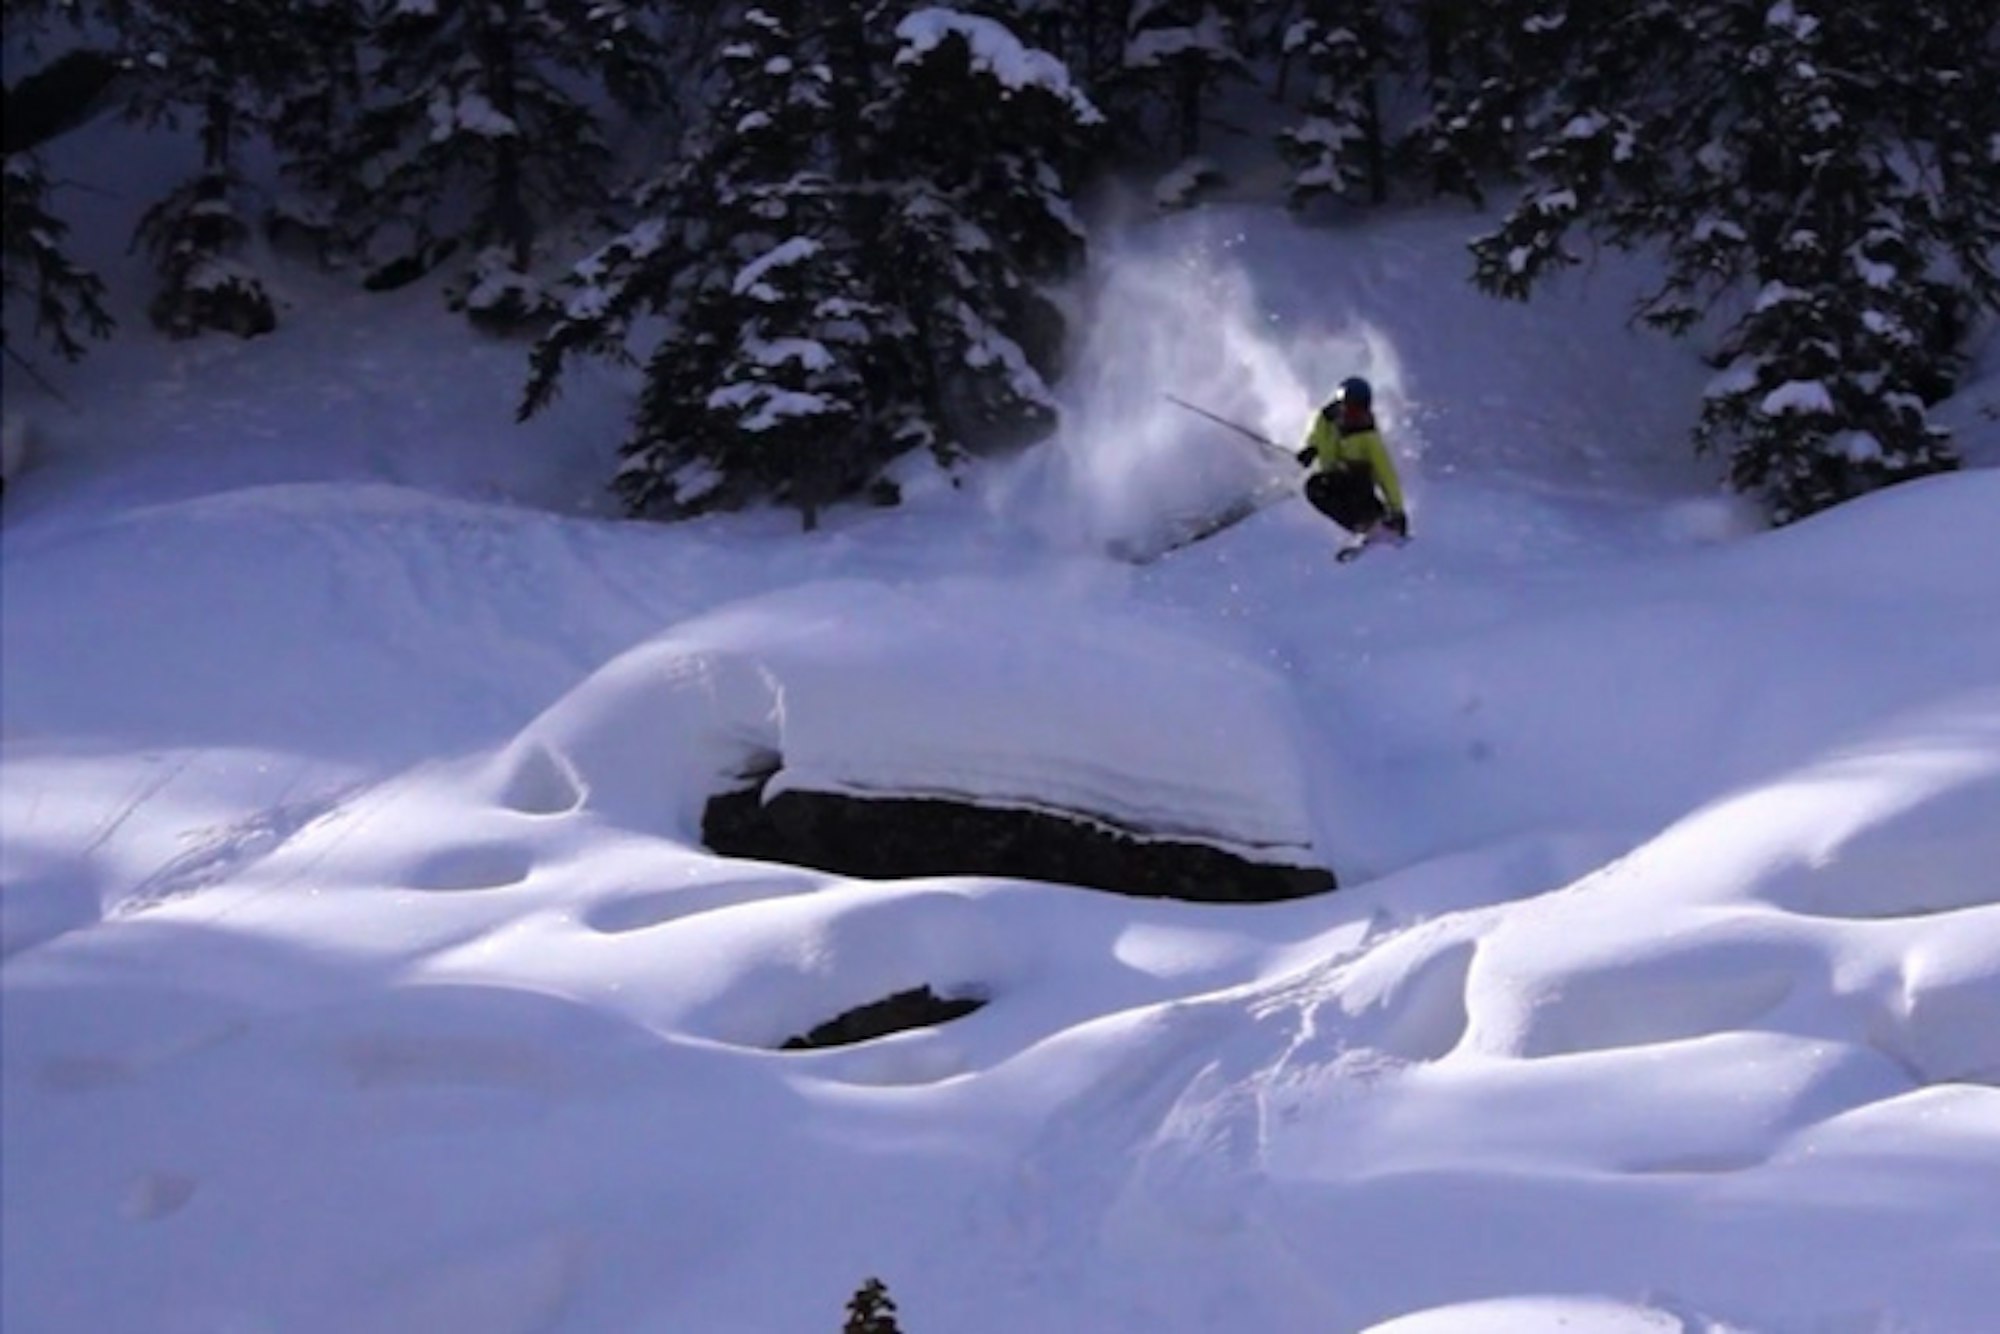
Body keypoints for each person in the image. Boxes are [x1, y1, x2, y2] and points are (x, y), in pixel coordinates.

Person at [1296, 376, 1409, 543]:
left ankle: (1377, 522)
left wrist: (1397, 509)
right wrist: (1311, 448)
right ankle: (1369, 523)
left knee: (1351, 483)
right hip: (1333, 480)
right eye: (1349, 409)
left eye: (1359, 411)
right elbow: (1318, 435)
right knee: (1317, 487)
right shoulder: (1326, 419)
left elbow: (1386, 474)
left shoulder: (1367, 436)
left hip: (1356, 485)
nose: (1353, 416)